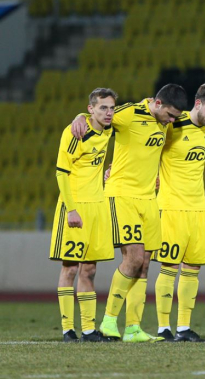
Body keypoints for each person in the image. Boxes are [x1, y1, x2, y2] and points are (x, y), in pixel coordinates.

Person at [71, 83, 186, 342]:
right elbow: (100, 115)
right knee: (133, 258)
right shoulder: (129, 114)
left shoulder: (166, 119)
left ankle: (133, 328)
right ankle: (109, 321)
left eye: (175, 118)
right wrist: (80, 116)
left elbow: (198, 118)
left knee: (144, 264)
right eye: (170, 115)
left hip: (149, 199)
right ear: (158, 104)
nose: (171, 121)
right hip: (122, 195)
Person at [152, 83, 205, 342]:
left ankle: (183, 327)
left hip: (197, 209)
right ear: (198, 103)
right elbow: (145, 148)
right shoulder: (172, 123)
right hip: (171, 207)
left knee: (193, 268)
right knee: (169, 267)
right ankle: (163, 328)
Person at [51, 88, 116, 342]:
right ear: (91, 109)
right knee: (70, 268)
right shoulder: (75, 132)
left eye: (111, 108)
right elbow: (61, 173)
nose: (108, 113)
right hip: (75, 206)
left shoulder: (108, 129)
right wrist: (71, 209)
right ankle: (68, 329)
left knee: (89, 270)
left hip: (97, 207)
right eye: (103, 108)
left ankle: (88, 330)